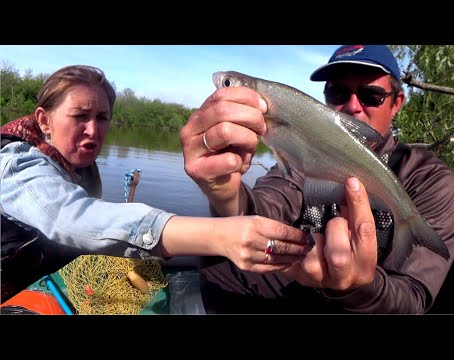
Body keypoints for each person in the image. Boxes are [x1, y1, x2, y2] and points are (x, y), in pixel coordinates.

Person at [180, 45, 454, 314]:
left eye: (370, 96)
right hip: (301, 288)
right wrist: (225, 192)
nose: (353, 106)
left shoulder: (431, 178)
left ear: (396, 103)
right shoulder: (304, 156)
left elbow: (413, 299)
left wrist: (359, 286)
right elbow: (266, 207)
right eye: (338, 92)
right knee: (220, 260)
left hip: (371, 305)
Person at [0, 65, 312, 303]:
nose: (93, 131)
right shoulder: (16, 162)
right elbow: (69, 218)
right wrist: (218, 235)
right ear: (43, 120)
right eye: (80, 116)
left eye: (102, 118)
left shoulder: (74, 163)